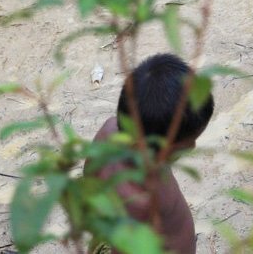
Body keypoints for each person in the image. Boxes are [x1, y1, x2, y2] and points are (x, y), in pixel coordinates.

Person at [91, 54, 213, 254]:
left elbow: (91, 177)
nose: (192, 147)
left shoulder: (109, 128)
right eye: (185, 144)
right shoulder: (145, 199)